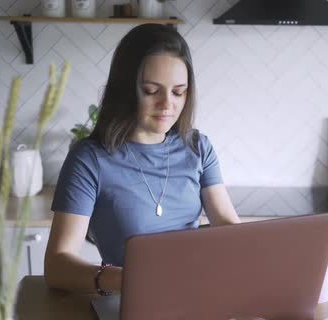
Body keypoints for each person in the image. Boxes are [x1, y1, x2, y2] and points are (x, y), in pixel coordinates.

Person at [44, 24, 240, 295]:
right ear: (125, 89)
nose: (167, 104)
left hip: (196, 292)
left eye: (178, 91)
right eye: (151, 91)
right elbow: (57, 266)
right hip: (128, 301)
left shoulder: (197, 147)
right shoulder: (89, 160)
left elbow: (229, 227)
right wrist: (125, 281)